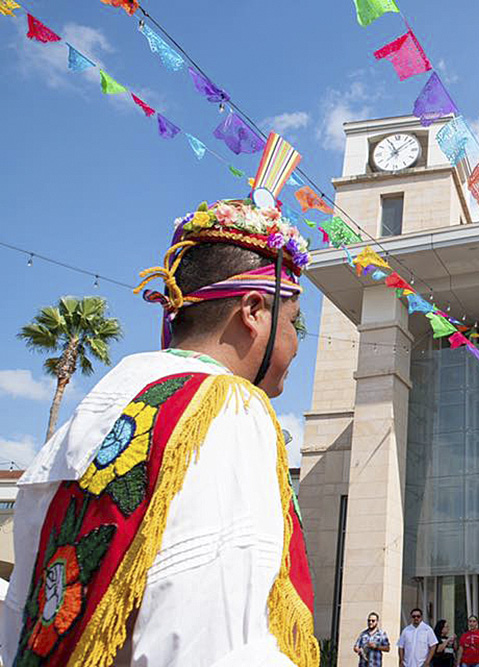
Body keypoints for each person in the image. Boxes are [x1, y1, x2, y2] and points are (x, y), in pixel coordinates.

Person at [0, 198, 318, 666]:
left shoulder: (102, 405)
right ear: (253, 310)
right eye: (293, 324)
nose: (294, 346)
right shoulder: (227, 408)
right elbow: (207, 643)